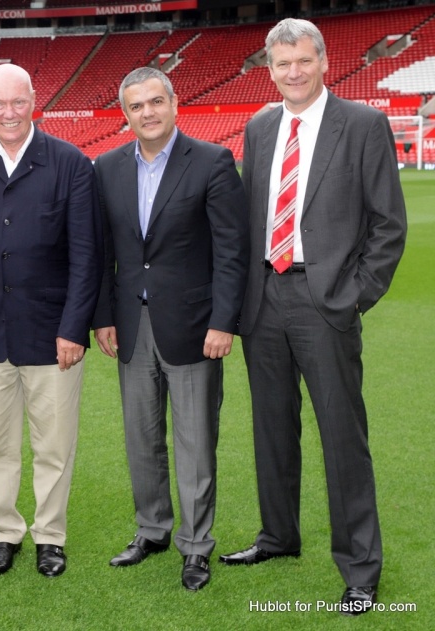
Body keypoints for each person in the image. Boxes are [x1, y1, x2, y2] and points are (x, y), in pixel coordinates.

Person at [218, 19, 406, 616]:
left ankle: (360, 570)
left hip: (325, 301)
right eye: (282, 63)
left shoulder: (363, 124)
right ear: (270, 69)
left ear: (324, 61)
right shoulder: (260, 126)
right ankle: (278, 535)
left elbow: (388, 225)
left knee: (342, 437)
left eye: (303, 60)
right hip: (264, 300)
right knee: (272, 429)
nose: (293, 72)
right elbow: (250, 219)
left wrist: (352, 295)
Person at [92, 67, 249, 592]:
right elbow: (104, 251)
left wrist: (224, 321)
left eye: (156, 101)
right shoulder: (107, 167)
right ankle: (152, 529)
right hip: (132, 325)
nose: (148, 113)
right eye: (136, 106)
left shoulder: (212, 161)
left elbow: (231, 251)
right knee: (141, 438)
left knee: (195, 443)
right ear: (126, 115)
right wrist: (103, 315)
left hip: (195, 326)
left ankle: (196, 545)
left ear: (175, 103)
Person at [0, 63, 103, 578]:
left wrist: (73, 328)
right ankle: (4, 532)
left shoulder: (70, 162)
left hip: (51, 332)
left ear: (35, 101)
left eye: (18, 102)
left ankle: (50, 535)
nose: (9, 113)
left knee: (53, 446)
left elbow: (87, 255)